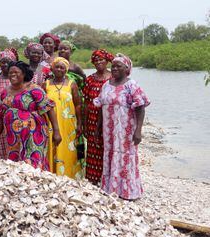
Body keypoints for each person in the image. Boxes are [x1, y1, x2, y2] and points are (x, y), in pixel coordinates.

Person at [94, 53, 150, 200]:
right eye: (113, 66)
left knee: (126, 158)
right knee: (111, 155)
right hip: (109, 130)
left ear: (127, 69)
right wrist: (98, 128)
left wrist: (138, 131)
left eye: (119, 66)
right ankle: (110, 188)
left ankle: (128, 191)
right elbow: (101, 106)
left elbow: (140, 107)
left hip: (125, 130)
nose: (114, 68)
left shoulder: (131, 85)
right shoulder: (106, 85)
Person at [0, 61, 61, 170]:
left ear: (24, 74)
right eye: (10, 73)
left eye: (16, 72)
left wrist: (56, 131)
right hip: (13, 137)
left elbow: (49, 109)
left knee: (33, 164)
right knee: (14, 165)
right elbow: (1, 116)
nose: (12, 75)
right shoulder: (5, 92)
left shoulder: (34, 89)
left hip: (34, 134)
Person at [43, 57, 82, 178]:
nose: (59, 69)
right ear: (52, 68)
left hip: (68, 123)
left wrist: (80, 124)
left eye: (62, 67)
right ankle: (52, 175)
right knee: (51, 147)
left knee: (68, 149)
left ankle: (69, 176)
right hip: (50, 123)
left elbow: (78, 105)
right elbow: (42, 105)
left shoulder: (72, 84)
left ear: (66, 70)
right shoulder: (46, 84)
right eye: (57, 67)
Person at [82, 49, 114, 184]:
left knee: (110, 147)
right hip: (92, 119)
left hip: (110, 119)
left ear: (107, 61)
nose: (99, 62)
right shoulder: (89, 79)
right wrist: (84, 123)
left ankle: (110, 179)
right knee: (93, 147)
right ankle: (93, 179)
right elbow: (85, 103)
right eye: (96, 60)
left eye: (101, 59)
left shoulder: (114, 78)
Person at [0, 48, 18, 159]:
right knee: (0, 144)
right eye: (3, 62)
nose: (5, 64)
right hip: (0, 119)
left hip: (16, 118)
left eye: (8, 62)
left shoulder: (18, 79)